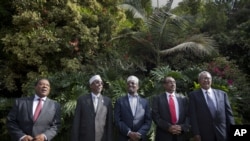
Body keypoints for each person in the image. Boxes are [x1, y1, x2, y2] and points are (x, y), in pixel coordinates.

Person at [189, 71, 235, 141]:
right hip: (205, 134)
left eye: (208, 78)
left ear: (211, 80)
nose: (206, 80)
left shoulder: (222, 94)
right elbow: (193, 116)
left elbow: (229, 115)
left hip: (222, 133)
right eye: (203, 78)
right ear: (199, 81)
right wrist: (196, 133)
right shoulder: (193, 95)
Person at [71, 75, 113, 141]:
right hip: (85, 138)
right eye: (97, 82)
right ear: (91, 85)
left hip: (102, 138)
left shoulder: (107, 101)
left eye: (101, 83)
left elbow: (109, 124)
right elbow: (76, 122)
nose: (100, 84)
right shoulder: (82, 100)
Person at [152, 76, 190, 141]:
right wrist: (168, 127)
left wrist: (182, 127)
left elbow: (188, 115)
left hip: (181, 135)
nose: (173, 84)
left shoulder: (183, 98)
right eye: (170, 82)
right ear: (164, 85)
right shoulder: (158, 99)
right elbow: (156, 116)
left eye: (174, 82)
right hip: (164, 135)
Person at [114, 75, 152, 141]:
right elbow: (117, 120)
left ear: (138, 86)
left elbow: (148, 121)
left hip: (140, 138)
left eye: (133, 83)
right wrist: (129, 133)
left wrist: (139, 134)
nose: (130, 85)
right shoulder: (119, 101)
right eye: (128, 83)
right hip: (124, 138)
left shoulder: (145, 102)